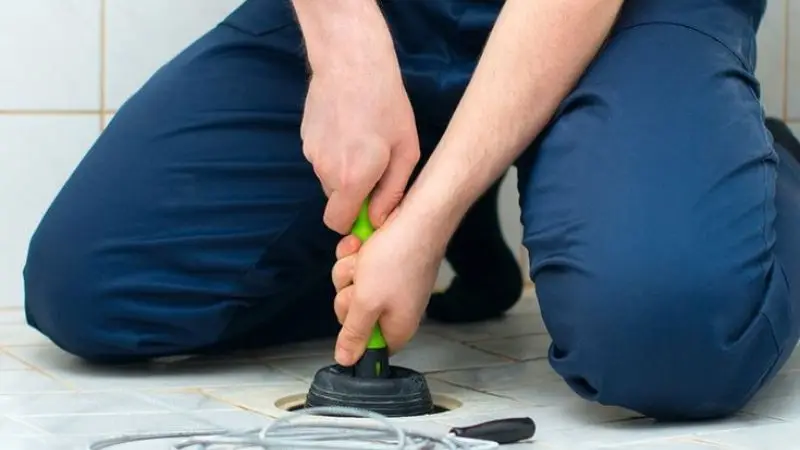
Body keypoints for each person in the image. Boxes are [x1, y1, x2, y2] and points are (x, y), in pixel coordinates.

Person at [22, 0, 800, 420]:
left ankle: (751, 185)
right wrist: (344, 41)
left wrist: (430, 211)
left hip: (625, 13)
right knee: (90, 290)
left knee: (665, 328)